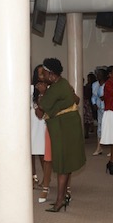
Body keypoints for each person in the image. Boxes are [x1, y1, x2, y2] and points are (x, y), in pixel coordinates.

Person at [35, 58, 86, 212]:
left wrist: (41, 93)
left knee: (62, 164)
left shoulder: (54, 89)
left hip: (64, 128)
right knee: (66, 163)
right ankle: (62, 198)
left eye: (44, 74)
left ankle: (59, 201)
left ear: (51, 74)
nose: (42, 77)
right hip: (68, 126)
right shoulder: (63, 83)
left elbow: (41, 109)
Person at [31, 65, 52, 203]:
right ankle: (33, 177)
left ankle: (46, 178)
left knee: (44, 151)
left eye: (44, 73)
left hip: (44, 121)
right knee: (32, 150)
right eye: (40, 73)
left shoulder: (50, 88)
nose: (42, 76)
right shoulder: (31, 89)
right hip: (32, 121)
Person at [91, 68, 107, 156]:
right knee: (100, 127)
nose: (98, 75)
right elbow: (93, 96)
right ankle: (99, 147)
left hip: (107, 109)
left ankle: (112, 149)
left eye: (100, 74)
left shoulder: (108, 84)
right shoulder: (94, 84)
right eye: (97, 74)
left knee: (108, 127)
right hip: (99, 109)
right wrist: (94, 103)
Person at [83, 73, 96, 138]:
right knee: (87, 119)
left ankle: (88, 131)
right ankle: (88, 131)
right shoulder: (87, 86)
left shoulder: (89, 86)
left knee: (87, 119)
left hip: (88, 102)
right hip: (87, 103)